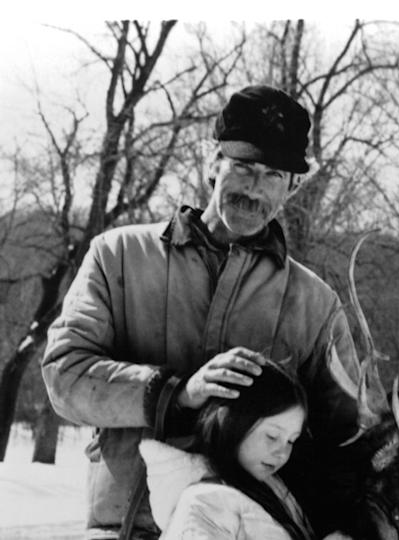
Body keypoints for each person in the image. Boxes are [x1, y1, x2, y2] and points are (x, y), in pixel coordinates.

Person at [41, 85, 362, 540]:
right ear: (214, 163)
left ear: (293, 186)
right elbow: (64, 376)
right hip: (126, 528)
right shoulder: (118, 257)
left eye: (273, 174)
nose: (253, 188)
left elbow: (347, 443)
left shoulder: (316, 305)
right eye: (243, 166)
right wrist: (174, 393)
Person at [160, 360, 314, 539]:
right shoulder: (204, 505)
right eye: (272, 436)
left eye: (291, 441)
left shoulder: (275, 488)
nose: (282, 453)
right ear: (230, 421)